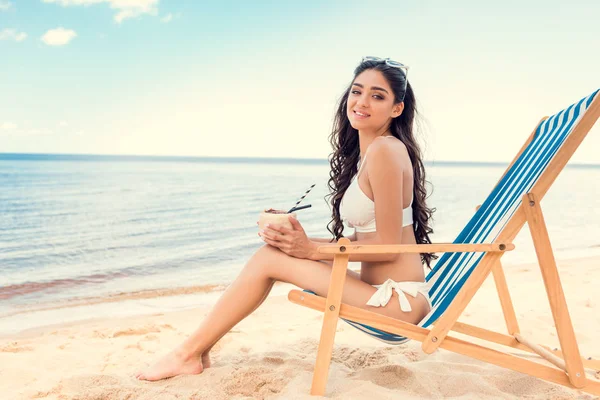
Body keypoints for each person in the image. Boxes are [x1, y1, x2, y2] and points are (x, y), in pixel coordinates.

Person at [135, 56, 435, 381]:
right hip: (380, 293)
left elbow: (388, 248)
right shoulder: (373, 152)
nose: (361, 102)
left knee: (268, 260)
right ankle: (199, 349)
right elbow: (367, 240)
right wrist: (299, 241)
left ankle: (187, 354)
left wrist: (309, 250)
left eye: (377, 96)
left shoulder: (385, 152)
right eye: (356, 91)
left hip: (395, 303)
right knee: (275, 253)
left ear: (396, 109)